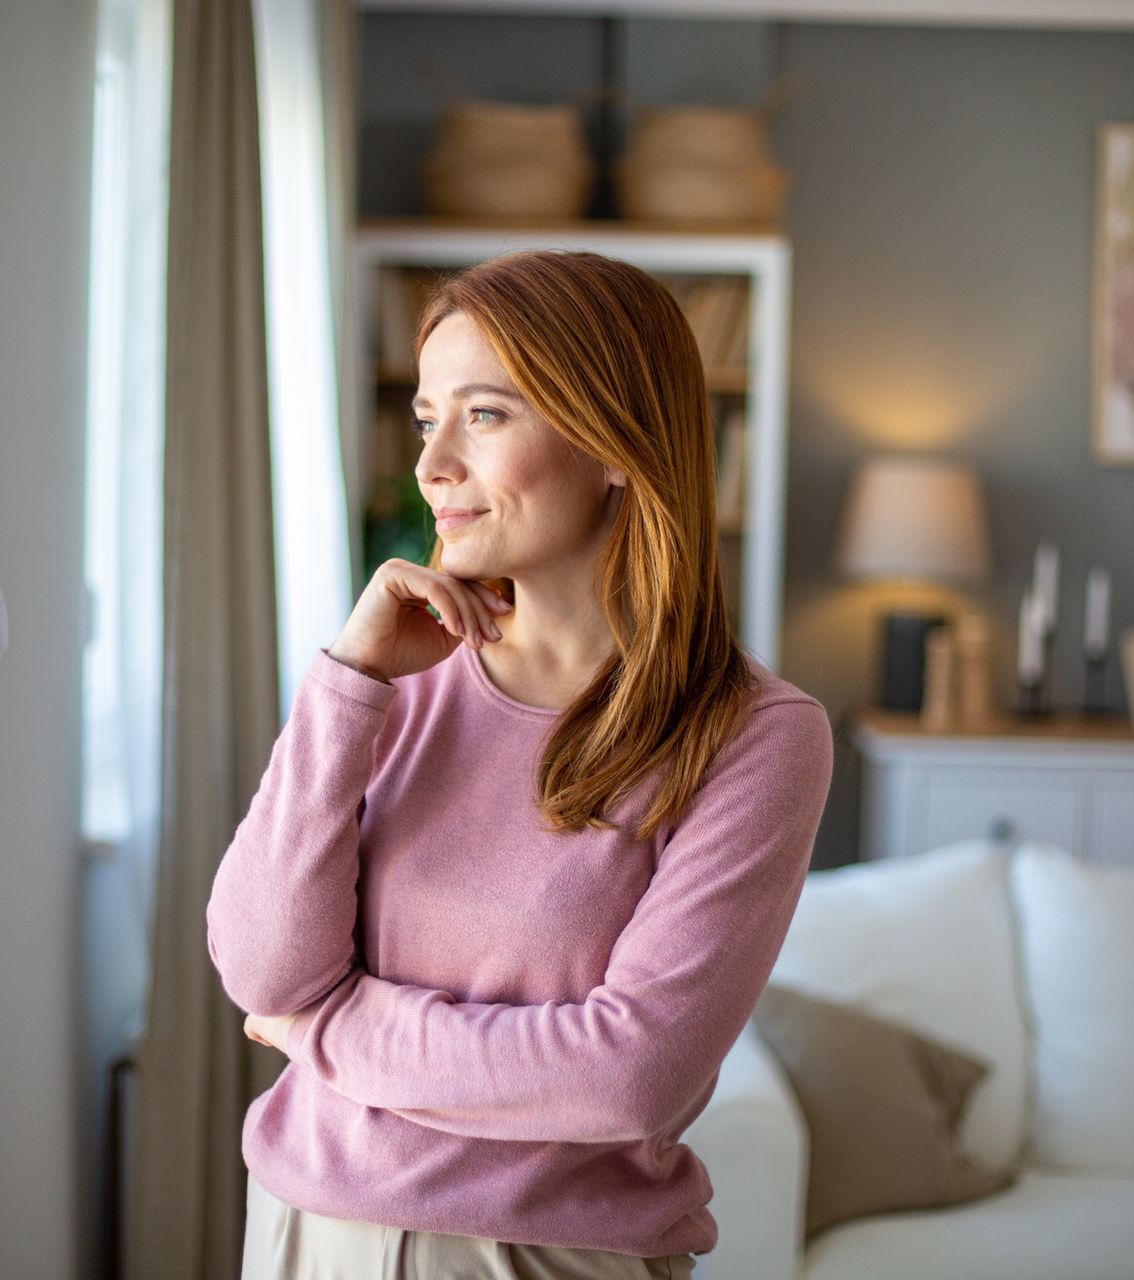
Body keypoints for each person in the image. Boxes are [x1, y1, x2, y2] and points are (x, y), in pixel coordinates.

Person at [207, 248, 833, 1279]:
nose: (431, 464)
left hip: (549, 1259)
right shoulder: (386, 677)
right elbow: (264, 966)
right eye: (426, 418)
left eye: (485, 416)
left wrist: (323, 1028)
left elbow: (629, 1074)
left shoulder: (753, 734)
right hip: (304, 1235)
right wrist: (347, 680)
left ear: (617, 443)